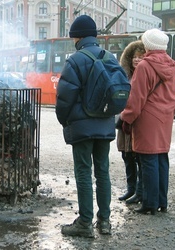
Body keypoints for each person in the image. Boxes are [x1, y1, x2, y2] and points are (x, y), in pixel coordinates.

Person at [55, 15, 127, 237]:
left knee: (84, 173)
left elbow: (64, 99)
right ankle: (104, 222)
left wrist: (65, 120)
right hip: (105, 125)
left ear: (77, 37)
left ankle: (85, 223)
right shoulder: (110, 58)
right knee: (103, 172)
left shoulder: (75, 61)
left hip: (82, 127)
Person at [118, 28, 175, 215]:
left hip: (147, 118)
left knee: (148, 159)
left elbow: (136, 99)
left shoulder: (145, 66)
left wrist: (125, 118)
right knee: (161, 159)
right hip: (165, 118)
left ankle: (150, 204)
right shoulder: (172, 66)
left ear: (148, 44)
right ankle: (162, 201)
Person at [117, 40, 145, 205]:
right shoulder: (124, 75)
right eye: (135, 56)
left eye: (141, 56)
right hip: (124, 120)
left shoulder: (144, 75)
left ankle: (140, 191)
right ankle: (131, 188)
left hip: (137, 121)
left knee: (139, 158)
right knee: (126, 156)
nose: (137, 60)